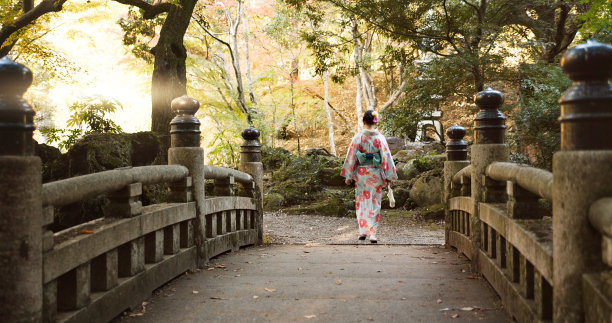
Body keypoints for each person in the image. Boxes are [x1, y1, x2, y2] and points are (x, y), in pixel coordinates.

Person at [340, 110, 397, 243]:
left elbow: (352, 156)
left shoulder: (358, 137)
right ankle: (373, 234)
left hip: (362, 174)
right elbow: (386, 157)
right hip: (376, 172)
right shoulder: (380, 138)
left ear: (364, 122)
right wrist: (388, 176)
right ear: (375, 122)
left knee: (362, 202)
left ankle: (362, 232)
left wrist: (348, 175)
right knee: (375, 202)